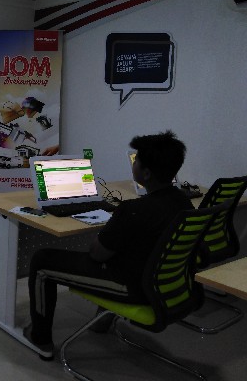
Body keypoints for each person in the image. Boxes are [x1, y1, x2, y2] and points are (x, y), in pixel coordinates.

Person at [23, 130, 194, 354]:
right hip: (166, 284)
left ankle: (40, 338)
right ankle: (102, 322)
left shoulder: (134, 210)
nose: (134, 164)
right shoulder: (183, 202)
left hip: (133, 287)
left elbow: (97, 254)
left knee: (42, 260)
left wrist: (102, 236)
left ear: (146, 173)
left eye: (137, 160)